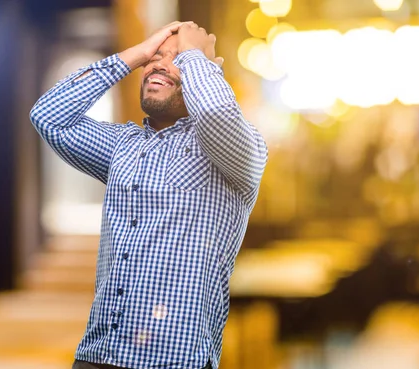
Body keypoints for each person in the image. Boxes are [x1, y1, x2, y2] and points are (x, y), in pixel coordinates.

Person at [30, 21, 268, 369]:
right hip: (98, 357)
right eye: (154, 56)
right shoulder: (121, 145)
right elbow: (49, 117)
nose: (158, 63)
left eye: (177, 58)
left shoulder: (234, 152)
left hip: (173, 362)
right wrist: (135, 54)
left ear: (203, 73)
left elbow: (216, 114)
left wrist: (194, 56)